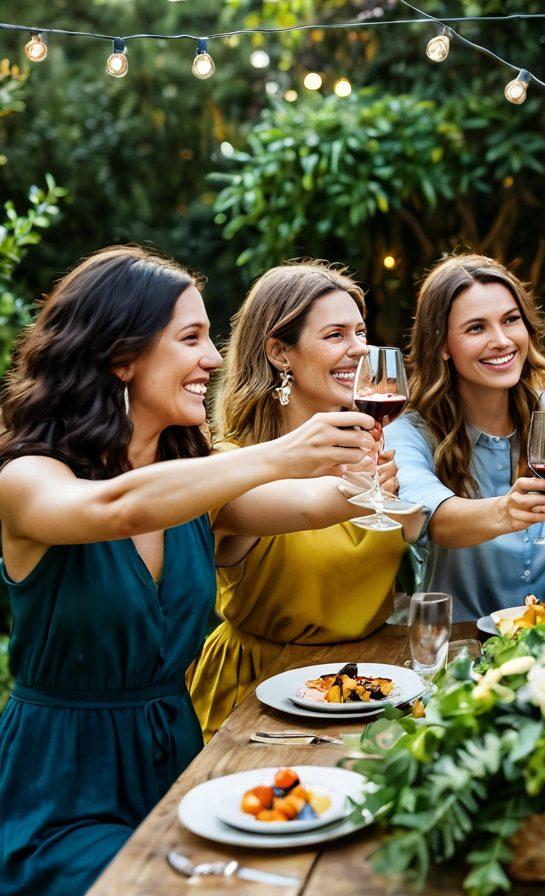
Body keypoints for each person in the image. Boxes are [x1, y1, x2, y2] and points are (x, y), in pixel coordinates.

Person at [0, 247, 380, 895]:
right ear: (122, 355)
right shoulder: (28, 477)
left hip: (182, 768)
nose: (213, 358)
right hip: (60, 791)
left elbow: (324, 503)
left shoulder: (198, 482)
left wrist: (381, 455)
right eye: (191, 338)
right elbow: (113, 507)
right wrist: (283, 453)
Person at [187, 261, 415, 740]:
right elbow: (314, 505)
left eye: (361, 331)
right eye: (336, 335)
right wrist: (366, 487)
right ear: (279, 353)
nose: (360, 348)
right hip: (257, 701)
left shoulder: (377, 448)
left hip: (370, 686)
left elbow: (423, 527)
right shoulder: (229, 464)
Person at [388, 254, 545, 622]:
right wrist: (506, 511)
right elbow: (433, 519)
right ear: (443, 345)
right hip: (455, 645)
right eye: (476, 328)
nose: (502, 340)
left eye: (511, 320)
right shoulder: (409, 431)